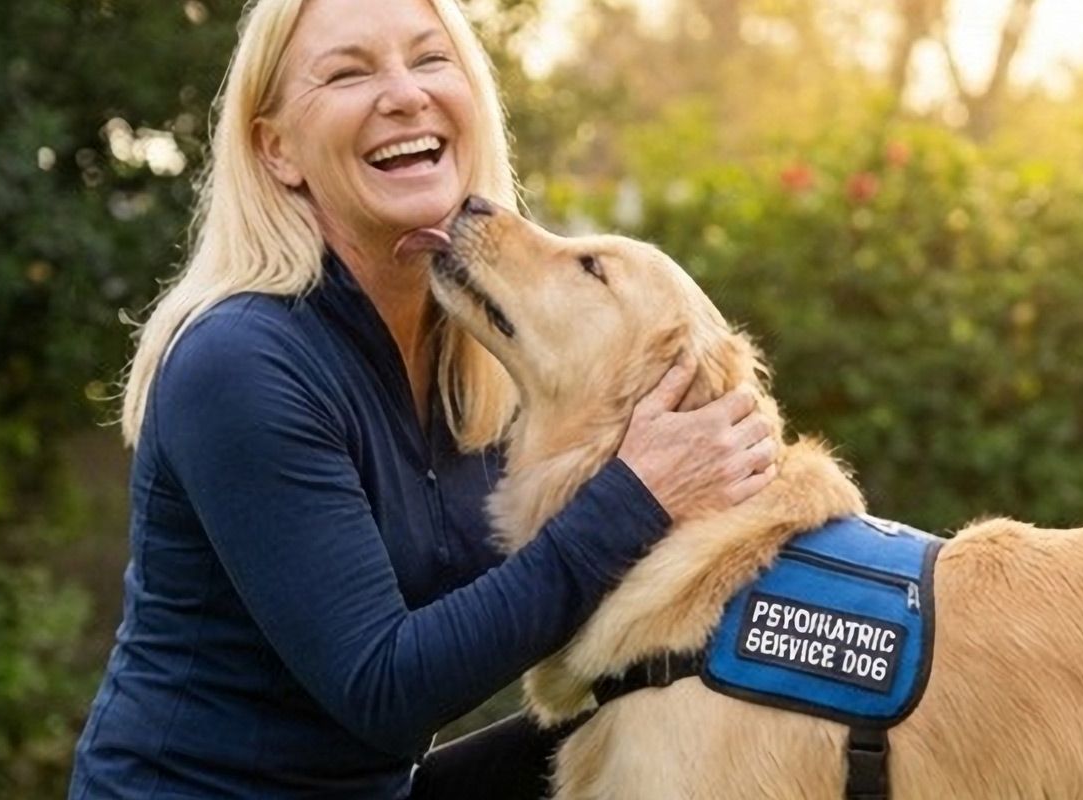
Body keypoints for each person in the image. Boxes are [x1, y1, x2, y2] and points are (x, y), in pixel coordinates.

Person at [68, 0, 778, 796]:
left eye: (429, 59)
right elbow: (385, 689)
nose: (404, 93)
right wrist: (637, 497)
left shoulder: (475, 346)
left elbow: (601, 587)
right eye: (348, 71)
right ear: (277, 151)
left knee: (690, 711)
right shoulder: (238, 364)